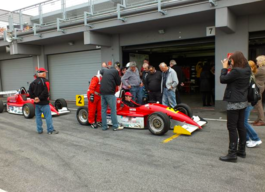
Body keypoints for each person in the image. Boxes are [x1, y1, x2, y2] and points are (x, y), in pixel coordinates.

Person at [219, 51, 251, 162]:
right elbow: (241, 65)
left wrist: (224, 67)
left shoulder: (236, 71)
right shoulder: (247, 69)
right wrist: (232, 64)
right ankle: (241, 151)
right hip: (243, 101)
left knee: (232, 127)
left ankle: (232, 154)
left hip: (234, 102)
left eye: (231, 60)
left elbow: (222, 79)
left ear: (234, 60)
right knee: (241, 126)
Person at [29, 68, 58, 135]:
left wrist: (35, 98)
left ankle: (39, 130)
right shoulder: (46, 81)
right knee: (48, 116)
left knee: (38, 117)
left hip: (37, 103)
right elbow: (46, 92)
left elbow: (30, 93)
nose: (45, 74)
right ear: (43, 73)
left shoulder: (33, 82)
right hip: (44, 103)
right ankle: (50, 130)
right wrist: (39, 98)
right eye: (45, 73)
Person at [244, 61, 262, 148]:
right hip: (249, 101)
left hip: (247, 102)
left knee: (243, 122)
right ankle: (246, 138)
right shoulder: (252, 75)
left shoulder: (248, 76)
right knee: (242, 122)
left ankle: (255, 139)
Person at [100, 66, 123, 131]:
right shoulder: (115, 71)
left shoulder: (105, 71)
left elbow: (101, 71)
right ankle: (115, 126)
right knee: (113, 109)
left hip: (102, 92)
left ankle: (104, 126)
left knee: (103, 110)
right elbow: (118, 83)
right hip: (110, 93)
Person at [253, 55, 265, 126]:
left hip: (258, 87)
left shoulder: (261, 69)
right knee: (258, 103)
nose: (256, 62)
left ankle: (261, 120)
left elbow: (252, 74)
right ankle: (259, 119)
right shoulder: (262, 68)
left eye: (257, 61)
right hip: (261, 86)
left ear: (260, 61)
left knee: (258, 103)